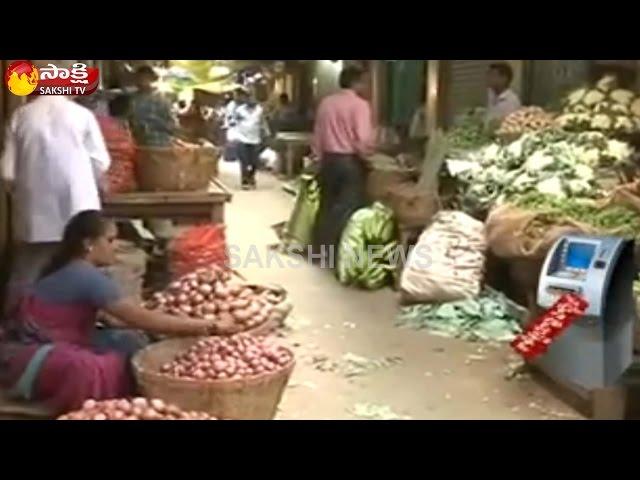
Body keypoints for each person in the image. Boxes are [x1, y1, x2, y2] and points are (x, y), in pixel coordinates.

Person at [0, 210, 216, 415]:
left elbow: (117, 319)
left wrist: (159, 312)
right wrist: (209, 326)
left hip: (33, 352)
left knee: (127, 341)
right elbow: (140, 319)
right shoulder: (85, 276)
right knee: (95, 367)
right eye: (110, 240)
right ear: (89, 244)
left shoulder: (72, 270)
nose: (116, 247)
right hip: (33, 358)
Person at [1, 84, 111, 310]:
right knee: (80, 266)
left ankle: (16, 321)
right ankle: (75, 318)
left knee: (28, 272)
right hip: (79, 209)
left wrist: (23, 195)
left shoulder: (21, 116)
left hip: (34, 211)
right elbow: (100, 163)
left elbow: (7, 172)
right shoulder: (82, 115)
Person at [311, 66, 374, 261]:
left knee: (326, 204)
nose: (366, 85)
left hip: (328, 160)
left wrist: (317, 158)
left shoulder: (326, 103)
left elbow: (318, 134)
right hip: (349, 162)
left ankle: (319, 251)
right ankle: (337, 253)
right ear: (356, 82)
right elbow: (362, 139)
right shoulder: (360, 105)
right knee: (347, 207)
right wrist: (368, 157)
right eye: (364, 81)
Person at [129, 65, 176, 147]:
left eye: (144, 78)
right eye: (138, 78)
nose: (140, 81)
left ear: (152, 79)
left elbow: (171, 122)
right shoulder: (132, 98)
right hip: (137, 141)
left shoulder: (162, 98)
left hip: (161, 140)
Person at [235, 91, 267, 189]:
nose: (251, 100)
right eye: (249, 98)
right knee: (244, 160)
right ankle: (244, 180)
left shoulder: (259, 110)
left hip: (255, 139)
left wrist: (266, 132)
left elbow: (263, 122)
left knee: (254, 161)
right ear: (246, 100)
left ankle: (251, 177)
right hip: (242, 138)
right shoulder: (239, 110)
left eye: (253, 98)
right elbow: (235, 121)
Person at [485, 62, 521, 131]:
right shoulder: (491, 93)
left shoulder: (511, 101)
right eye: (488, 74)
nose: (488, 78)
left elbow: (511, 128)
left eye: (493, 75)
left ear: (504, 79)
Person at [223, 89, 245, 163]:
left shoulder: (243, 105)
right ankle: (231, 156)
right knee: (232, 142)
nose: (237, 97)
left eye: (239, 95)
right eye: (236, 95)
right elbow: (229, 116)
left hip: (241, 127)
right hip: (233, 126)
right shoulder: (231, 105)